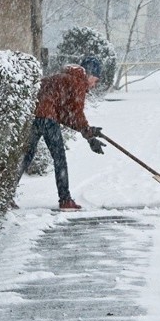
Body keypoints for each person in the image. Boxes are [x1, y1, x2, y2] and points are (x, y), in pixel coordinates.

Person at [16, 56, 106, 211]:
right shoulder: (78, 82)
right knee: (59, 159)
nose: (94, 85)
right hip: (46, 118)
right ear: (90, 74)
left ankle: (6, 195)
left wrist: (88, 131)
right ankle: (65, 200)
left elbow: (65, 115)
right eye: (96, 80)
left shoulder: (64, 78)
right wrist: (89, 136)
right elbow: (76, 114)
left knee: (26, 155)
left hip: (34, 117)